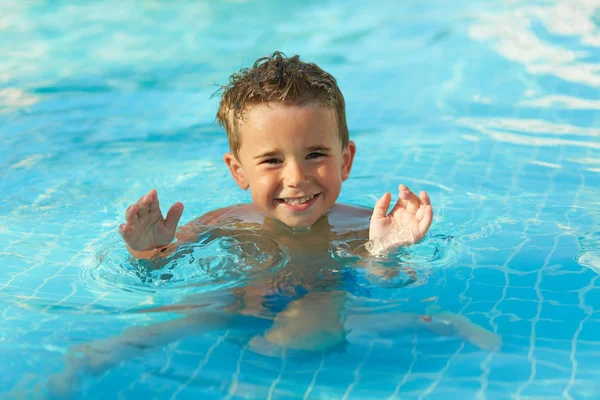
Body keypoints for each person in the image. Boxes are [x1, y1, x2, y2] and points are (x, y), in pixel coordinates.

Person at [48, 52, 499, 398]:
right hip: (236, 302)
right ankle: (87, 363)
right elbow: (161, 280)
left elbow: (381, 283)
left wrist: (387, 251)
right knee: (159, 327)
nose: (296, 178)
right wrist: (150, 253)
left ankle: (434, 324)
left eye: (315, 155)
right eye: (271, 161)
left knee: (309, 323)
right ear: (238, 171)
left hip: (327, 300)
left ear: (345, 160)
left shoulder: (364, 227)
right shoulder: (222, 223)